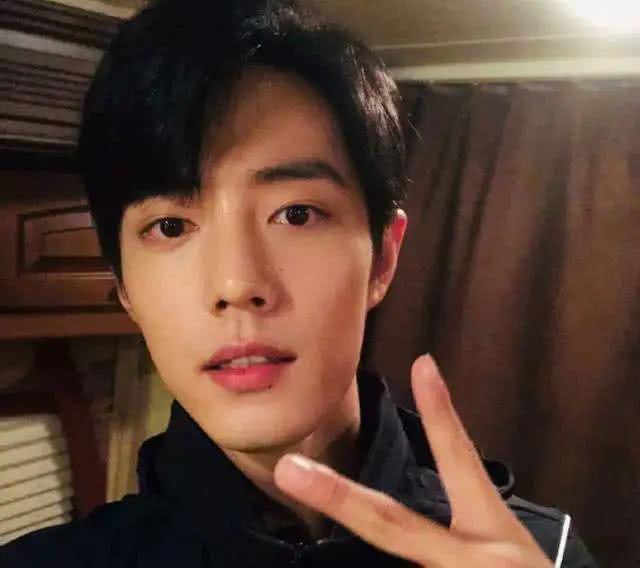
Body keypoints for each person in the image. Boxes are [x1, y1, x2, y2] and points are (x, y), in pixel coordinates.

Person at [2, 0, 597, 566]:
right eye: (171, 226)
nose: (237, 283)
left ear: (383, 258)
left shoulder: (546, 554)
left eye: (296, 214)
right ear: (126, 289)